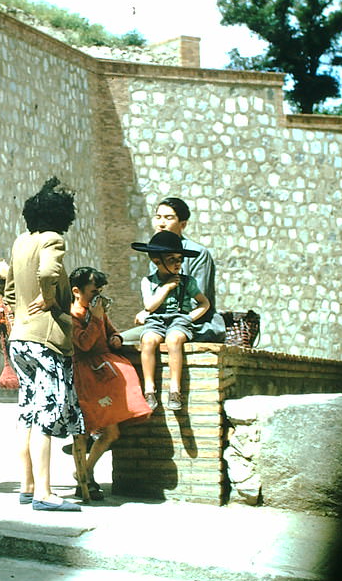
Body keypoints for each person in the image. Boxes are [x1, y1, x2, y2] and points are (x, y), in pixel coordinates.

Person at [4, 176, 84, 512]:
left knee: (28, 412)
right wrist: (49, 299)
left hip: (19, 338)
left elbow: (8, 290)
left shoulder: (21, 242)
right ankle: (45, 494)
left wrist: (19, 314)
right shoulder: (53, 240)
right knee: (46, 416)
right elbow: (50, 272)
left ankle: (28, 486)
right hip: (45, 340)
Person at [66, 266, 152, 500]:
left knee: (111, 432)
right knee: (82, 432)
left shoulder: (97, 310)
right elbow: (83, 343)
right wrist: (94, 319)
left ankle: (84, 471)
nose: (97, 296)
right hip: (85, 377)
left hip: (103, 373)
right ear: (77, 291)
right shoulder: (72, 315)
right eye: (93, 291)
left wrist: (115, 337)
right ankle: (85, 479)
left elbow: (111, 331)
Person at [122, 197, 225, 344]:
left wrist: (175, 319)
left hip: (194, 322)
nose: (161, 223)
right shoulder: (157, 251)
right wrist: (149, 312)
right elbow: (156, 294)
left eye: (168, 218)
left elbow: (199, 300)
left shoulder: (198, 253)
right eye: (158, 217)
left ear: (182, 224)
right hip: (160, 322)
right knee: (119, 341)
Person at [131, 230, 211, 411]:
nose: (177, 264)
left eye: (180, 259)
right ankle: (149, 389)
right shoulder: (148, 282)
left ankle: (175, 389)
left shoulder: (187, 282)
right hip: (156, 319)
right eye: (171, 259)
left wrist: (189, 317)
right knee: (148, 340)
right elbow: (150, 306)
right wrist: (165, 288)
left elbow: (204, 303)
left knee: (173, 340)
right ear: (157, 261)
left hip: (178, 320)